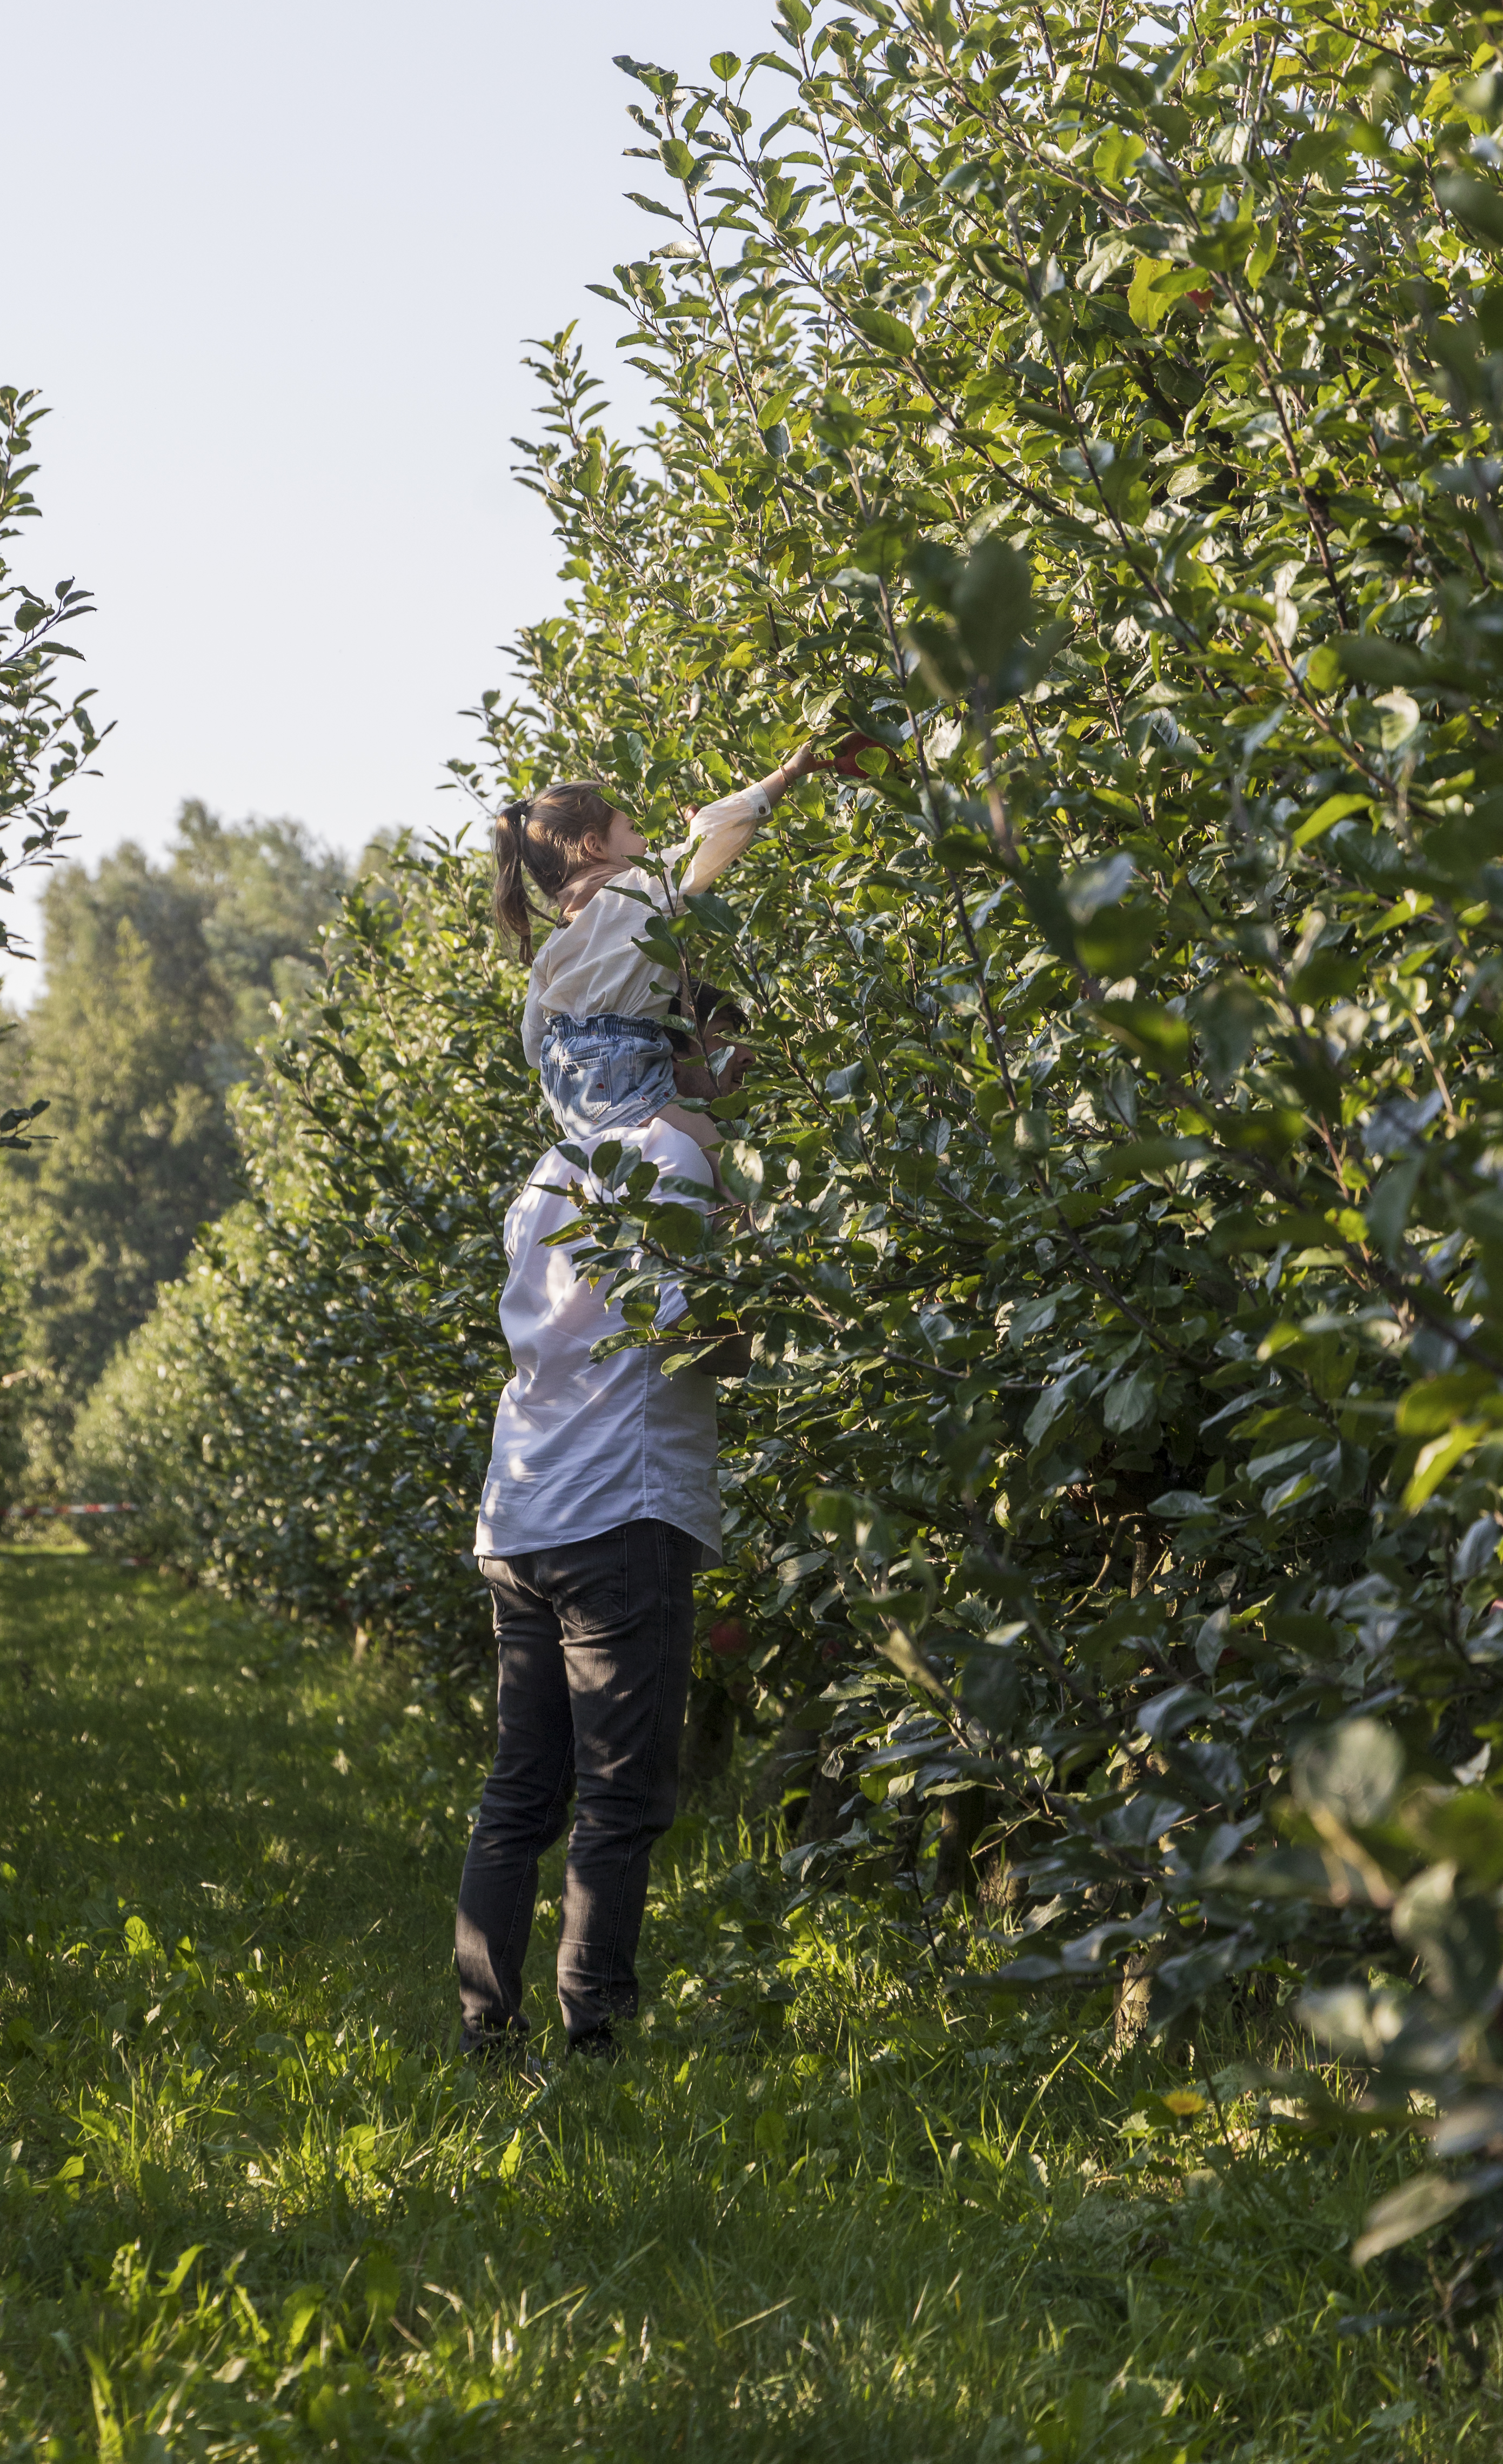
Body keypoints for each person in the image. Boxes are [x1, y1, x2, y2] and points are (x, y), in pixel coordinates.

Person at [453, 1009, 752, 2062]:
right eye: (728, 1047)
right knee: (620, 1797)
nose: (740, 1072)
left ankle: (487, 2034)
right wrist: (760, 1263)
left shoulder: (548, 1169)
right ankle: (598, 2045)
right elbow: (703, 1341)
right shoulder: (672, 1157)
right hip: (618, 1509)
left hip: (522, 1512)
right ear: (678, 1053)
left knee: (521, 1789)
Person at [489, 749, 824, 1171]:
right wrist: (790, 773)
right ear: (594, 846)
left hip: (568, 1096)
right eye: (632, 829)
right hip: (623, 1074)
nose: (646, 841)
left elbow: (533, 1044)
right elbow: (711, 837)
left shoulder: (553, 948)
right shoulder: (639, 890)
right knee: (729, 1170)